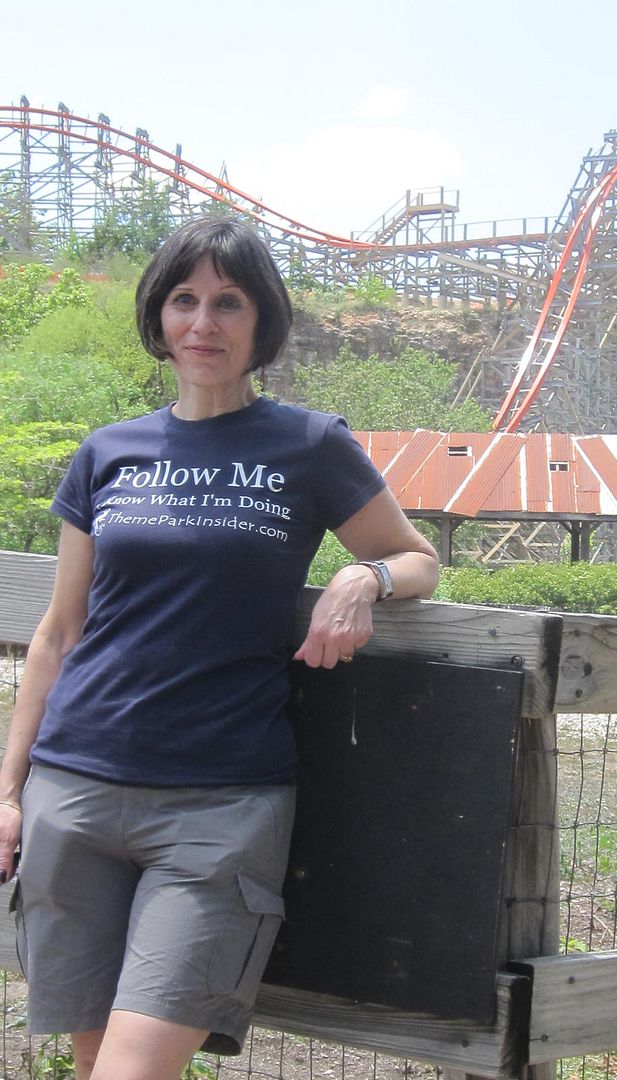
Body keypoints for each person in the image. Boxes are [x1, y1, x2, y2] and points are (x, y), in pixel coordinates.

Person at [0, 217, 439, 1080]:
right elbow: (58, 633)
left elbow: (417, 556)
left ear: (261, 320)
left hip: (218, 808)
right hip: (75, 794)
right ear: (159, 319)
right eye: (184, 300)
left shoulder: (310, 445)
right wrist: (10, 791)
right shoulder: (108, 453)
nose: (204, 322)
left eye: (228, 302)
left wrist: (363, 582)